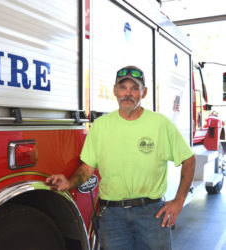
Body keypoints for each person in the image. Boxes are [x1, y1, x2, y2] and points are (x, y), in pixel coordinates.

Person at [45, 65, 196, 250]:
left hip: (151, 214)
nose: (128, 94)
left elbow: (189, 159)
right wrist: (69, 183)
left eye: (134, 88)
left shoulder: (160, 124)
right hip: (112, 216)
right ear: (115, 91)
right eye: (123, 88)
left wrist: (179, 200)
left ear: (144, 92)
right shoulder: (100, 126)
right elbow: (87, 169)